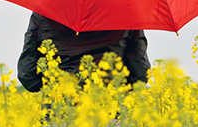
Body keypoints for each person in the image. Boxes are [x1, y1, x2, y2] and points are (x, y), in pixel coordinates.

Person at [17, 12, 151, 92]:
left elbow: (28, 77)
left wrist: (56, 83)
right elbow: (140, 74)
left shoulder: (44, 12)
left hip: (58, 116)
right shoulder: (128, 13)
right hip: (109, 114)